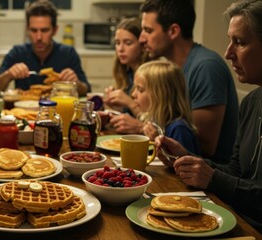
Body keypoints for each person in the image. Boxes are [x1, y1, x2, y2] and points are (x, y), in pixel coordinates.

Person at [156, 0, 262, 231]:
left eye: (240, 42)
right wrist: (189, 158)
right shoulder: (252, 102)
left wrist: (212, 178)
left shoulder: (205, 65)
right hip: (234, 216)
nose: (228, 53)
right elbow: (236, 172)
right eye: (229, 41)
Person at [111, 0, 239, 163]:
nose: (142, 39)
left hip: (208, 177)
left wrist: (140, 127)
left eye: (148, 31)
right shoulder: (172, 68)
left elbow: (204, 146)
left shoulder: (206, 67)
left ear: (173, 31)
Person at [0, 0, 90, 97]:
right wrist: (8, 75)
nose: (39, 37)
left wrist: (75, 83)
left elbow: (86, 90)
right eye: (34, 30)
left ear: (55, 30)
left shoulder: (68, 53)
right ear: (27, 29)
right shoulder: (17, 53)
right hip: (24, 111)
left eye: (44, 30)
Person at [132, 60, 200, 155]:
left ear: (160, 96)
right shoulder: (156, 122)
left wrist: (158, 142)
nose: (133, 94)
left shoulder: (178, 129)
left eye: (140, 89)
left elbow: (182, 165)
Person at [104, 17, 150, 116]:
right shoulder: (127, 72)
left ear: (142, 46)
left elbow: (153, 122)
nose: (120, 49)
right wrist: (116, 106)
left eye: (128, 43)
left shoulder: (151, 74)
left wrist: (129, 103)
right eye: (117, 43)